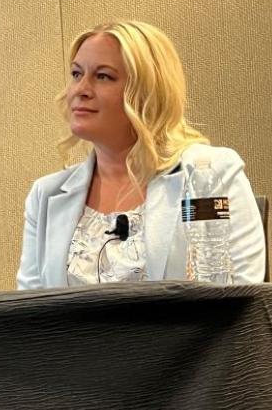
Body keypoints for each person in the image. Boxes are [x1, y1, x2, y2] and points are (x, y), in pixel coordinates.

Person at [17, 21, 265, 289]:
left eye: (103, 76)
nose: (80, 90)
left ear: (146, 91)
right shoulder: (46, 195)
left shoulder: (209, 176)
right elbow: (31, 314)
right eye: (77, 74)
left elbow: (238, 301)